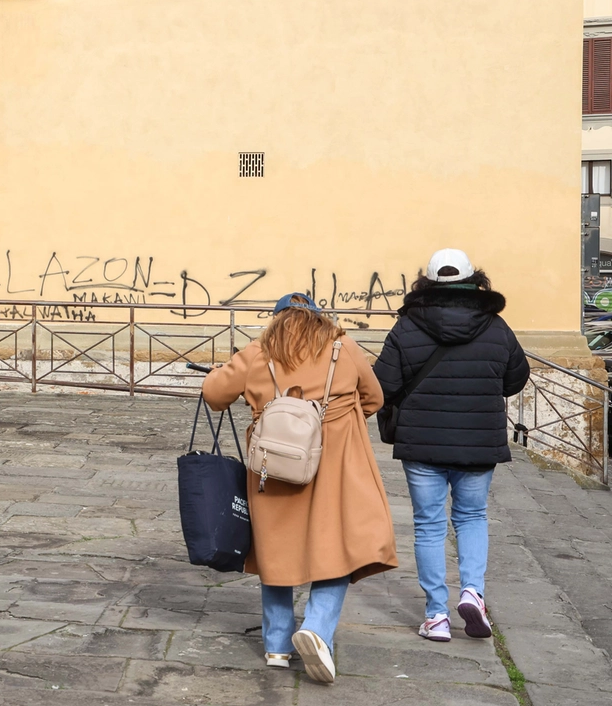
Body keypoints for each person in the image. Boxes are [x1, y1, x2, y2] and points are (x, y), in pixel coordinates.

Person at [203, 293, 398, 684]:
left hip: (274, 467)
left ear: (276, 321)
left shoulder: (258, 351)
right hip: (336, 464)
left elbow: (213, 395)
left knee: (276, 547)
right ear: (317, 318)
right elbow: (374, 398)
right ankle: (317, 628)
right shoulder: (344, 347)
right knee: (338, 545)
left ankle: (277, 645)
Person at [374, 249, 528, 642]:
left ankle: (436, 616)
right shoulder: (497, 327)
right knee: (472, 517)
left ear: (426, 283)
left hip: (422, 442)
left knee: (428, 525)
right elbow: (514, 380)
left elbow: (384, 386)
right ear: (474, 280)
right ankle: (473, 593)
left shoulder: (406, 327)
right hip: (478, 441)